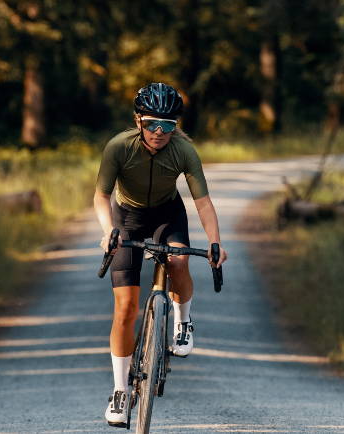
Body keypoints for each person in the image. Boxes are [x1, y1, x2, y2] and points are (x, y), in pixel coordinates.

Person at [93, 82, 228, 427]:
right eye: (152, 123)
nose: (159, 132)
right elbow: (100, 196)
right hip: (128, 217)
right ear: (138, 120)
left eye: (168, 126)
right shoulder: (118, 148)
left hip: (167, 215)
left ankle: (183, 320)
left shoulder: (184, 151)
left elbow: (203, 202)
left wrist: (214, 242)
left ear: (176, 127)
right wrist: (108, 231)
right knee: (125, 307)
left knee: (180, 259)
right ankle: (121, 390)